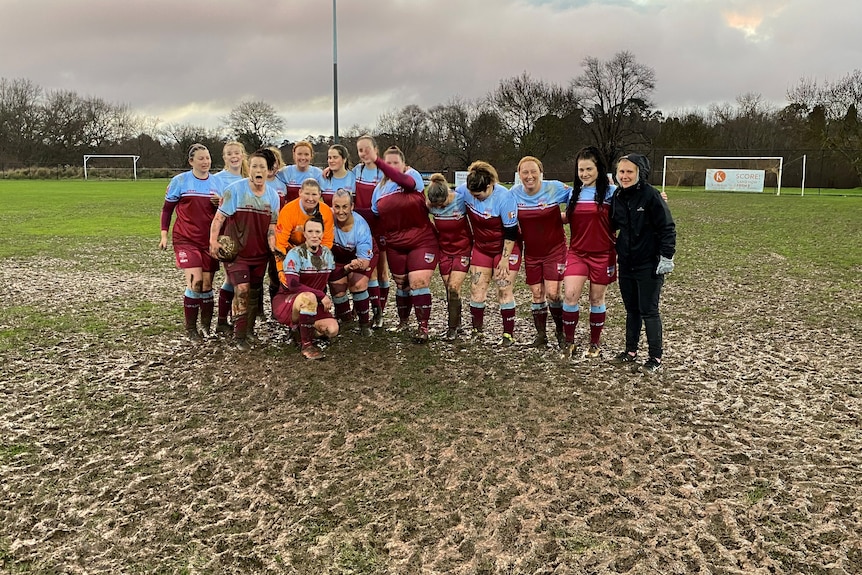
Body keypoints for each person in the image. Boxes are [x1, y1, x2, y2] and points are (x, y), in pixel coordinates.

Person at [609, 153, 676, 375]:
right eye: (621, 171)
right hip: (626, 263)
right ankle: (630, 351)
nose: (625, 176)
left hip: (649, 263)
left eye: (629, 172)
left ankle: (655, 357)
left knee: (649, 310)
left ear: (639, 173)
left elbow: (667, 227)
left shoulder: (651, 196)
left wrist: (667, 256)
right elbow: (612, 224)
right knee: (632, 310)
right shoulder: (618, 196)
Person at [208, 149, 280, 350]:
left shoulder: (273, 196)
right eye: (254, 166)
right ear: (250, 168)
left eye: (262, 167)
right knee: (241, 289)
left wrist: (274, 249)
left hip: (260, 254)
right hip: (237, 253)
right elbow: (219, 218)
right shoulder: (235, 190)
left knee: (254, 294)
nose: (258, 170)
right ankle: (239, 337)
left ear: (269, 171)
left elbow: (272, 228)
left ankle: (248, 331)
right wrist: (213, 241)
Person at [366, 145, 439, 343]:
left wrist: (378, 160)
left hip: (421, 240)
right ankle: (403, 322)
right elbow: (374, 216)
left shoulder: (411, 176)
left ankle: (423, 327)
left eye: (395, 163)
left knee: (418, 282)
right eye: (387, 163)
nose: (391, 166)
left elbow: (403, 180)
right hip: (395, 244)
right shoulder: (378, 189)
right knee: (402, 284)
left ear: (404, 165)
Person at [509, 156, 572, 348]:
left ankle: (560, 332)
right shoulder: (513, 193)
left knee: (553, 293)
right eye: (525, 172)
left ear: (541, 173)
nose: (529, 176)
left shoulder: (554, 188)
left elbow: (577, 197)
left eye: (533, 171)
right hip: (532, 252)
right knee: (537, 294)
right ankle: (541, 335)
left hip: (555, 249)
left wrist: (566, 216)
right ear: (519, 174)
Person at [159, 143, 221, 340]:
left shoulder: (217, 183)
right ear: (191, 161)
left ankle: (205, 327)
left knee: (207, 285)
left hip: (209, 240)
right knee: (196, 282)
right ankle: (191, 329)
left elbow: (225, 212)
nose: (205, 162)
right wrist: (163, 234)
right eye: (201, 158)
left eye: (208, 157)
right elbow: (167, 209)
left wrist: (221, 203)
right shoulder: (180, 181)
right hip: (185, 238)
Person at [562, 146, 617, 359]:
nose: (584, 174)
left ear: (599, 169)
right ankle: (569, 342)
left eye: (589, 169)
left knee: (596, 299)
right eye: (580, 170)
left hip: (603, 254)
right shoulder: (572, 194)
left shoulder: (612, 193)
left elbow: (632, 209)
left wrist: (659, 199)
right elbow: (567, 218)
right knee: (570, 295)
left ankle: (595, 343)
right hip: (577, 253)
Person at [459, 161, 521, 347]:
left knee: (503, 289)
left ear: (490, 185)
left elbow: (511, 233)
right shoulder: (465, 190)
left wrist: (504, 260)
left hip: (506, 248)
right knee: (477, 290)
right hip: (482, 248)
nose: (476, 198)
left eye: (480, 195)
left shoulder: (504, 197)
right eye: (472, 195)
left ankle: (508, 335)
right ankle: (477, 331)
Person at [272, 214, 339, 360]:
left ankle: (299, 330)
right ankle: (306, 344)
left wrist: (351, 267)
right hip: (288, 300)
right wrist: (322, 295)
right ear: (304, 234)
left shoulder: (327, 254)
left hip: (314, 302)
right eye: (310, 231)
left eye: (317, 232)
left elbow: (334, 275)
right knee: (310, 297)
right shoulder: (295, 254)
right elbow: (293, 285)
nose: (314, 235)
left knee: (332, 330)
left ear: (323, 234)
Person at [426, 173, 472, 340]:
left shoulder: (460, 200)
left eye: (442, 203)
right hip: (444, 250)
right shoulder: (430, 205)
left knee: (453, 287)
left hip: (462, 249)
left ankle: (451, 329)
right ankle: (457, 323)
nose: (440, 207)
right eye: (436, 206)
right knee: (449, 290)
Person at [212, 141, 250, 334]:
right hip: (229, 235)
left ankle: (239, 320)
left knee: (243, 280)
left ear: (243, 155)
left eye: (237, 153)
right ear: (224, 157)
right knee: (231, 279)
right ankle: (223, 320)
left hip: (249, 234)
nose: (234, 156)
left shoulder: (249, 177)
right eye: (229, 154)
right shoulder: (218, 179)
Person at [352, 135, 389, 329]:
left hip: (379, 225)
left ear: (376, 150)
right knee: (365, 268)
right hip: (360, 226)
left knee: (381, 270)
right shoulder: (357, 170)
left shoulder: (385, 172)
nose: (364, 153)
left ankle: (379, 311)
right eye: (360, 150)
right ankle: (363, 307)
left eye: (367, 149)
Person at [330, 188, 378, 335]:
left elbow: (364, 263)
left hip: (360, 256)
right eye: (337, 207)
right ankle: (346, 321)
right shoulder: (327, 219)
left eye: (345, 206)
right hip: (339, 256)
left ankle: (364, 323)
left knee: (357, 283)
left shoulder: (361, 227)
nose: (340, 211)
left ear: (351, 207)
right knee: (337, 287)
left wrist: (351, 267)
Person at [273, 178, 335, 258]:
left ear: (319, 195)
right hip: (290, 253)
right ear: (300, 193)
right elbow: (280, 243)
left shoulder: (326, 212)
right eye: (307, 194)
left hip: (315, 254)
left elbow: (326, 242)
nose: (310, 198)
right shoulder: (288, 211)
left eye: (314, 194)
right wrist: (282, 269)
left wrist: (316, 262)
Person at [277, 140, 323, 205]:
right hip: (290, 212)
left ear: (311, 156)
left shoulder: (318, 174)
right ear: (294, 155)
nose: (303, 158)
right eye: (299, 154)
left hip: (310, 213)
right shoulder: (284, 172)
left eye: (306, 154)